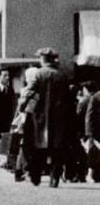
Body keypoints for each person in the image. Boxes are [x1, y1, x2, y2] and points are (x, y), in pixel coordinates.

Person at [19, 48, 72, 187]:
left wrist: (21, 107)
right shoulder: (62, 76)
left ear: (43, 59)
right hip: (59, 118)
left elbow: (28, 93)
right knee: (57, 150)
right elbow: (69, 99)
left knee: (37, 148)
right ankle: (55, 178)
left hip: (40, 117)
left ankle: (36, 176)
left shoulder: (38, 74)